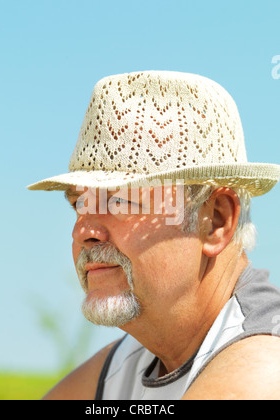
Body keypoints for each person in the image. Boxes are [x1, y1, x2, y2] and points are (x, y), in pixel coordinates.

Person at [28, 71, 280, 400]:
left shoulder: (261, 368)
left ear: (215, 220)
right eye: (80, 203)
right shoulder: (130, 362)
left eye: (119, 200)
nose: (84, 231)